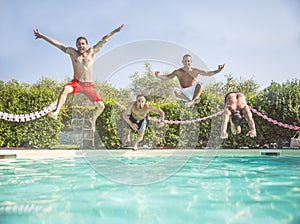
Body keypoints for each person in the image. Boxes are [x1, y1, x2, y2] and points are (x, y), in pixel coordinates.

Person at [33, 24, 124, 131]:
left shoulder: (91, 52)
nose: (81, 46)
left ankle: (93, 118)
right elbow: (58, 44)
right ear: (76, 45)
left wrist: (116, 31)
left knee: (101, 106)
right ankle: (56, 113)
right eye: (78, 44)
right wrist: (43, 36)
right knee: (65, 89)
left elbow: (104, 39)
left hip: (88, 85)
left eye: (82, 44)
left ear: (86, 44)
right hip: (76, 83)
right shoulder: (73, 53)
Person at [155, 54, 225, 107]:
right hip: (184, 92)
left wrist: (218, 71)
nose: (187, 62)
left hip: (193, 91)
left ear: (191, 62)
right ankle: (191, 101)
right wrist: (158, 76)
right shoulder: (178, 71)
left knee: (200, 83)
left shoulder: (195, 70)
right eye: (185, 61)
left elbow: (207, 73)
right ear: (182, 62)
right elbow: (167, 77)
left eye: (188, 61)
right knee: (174, 90)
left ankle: (193, 100)